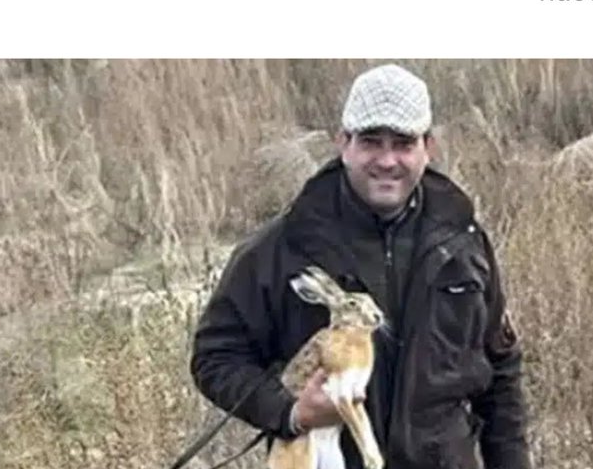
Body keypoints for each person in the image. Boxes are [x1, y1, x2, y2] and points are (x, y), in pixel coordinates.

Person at [190, 64, 530, 469]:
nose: (387, 160)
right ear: (343, 142)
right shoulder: (284, 246)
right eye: (371, 141)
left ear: (428, 147)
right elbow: (216, 357)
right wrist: (291, 413)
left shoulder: (464, 242)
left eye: (403, 143)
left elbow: (501, 372)